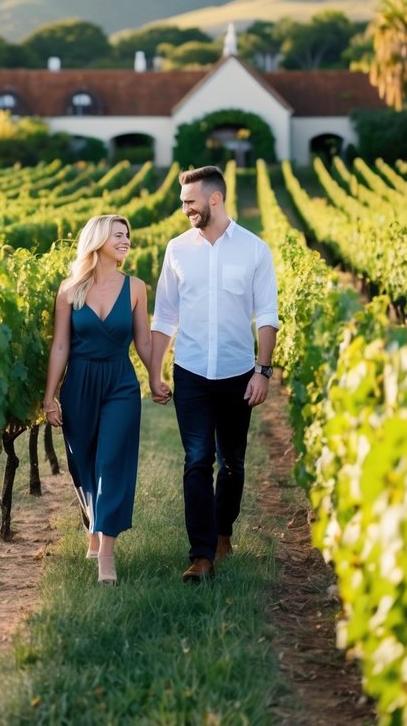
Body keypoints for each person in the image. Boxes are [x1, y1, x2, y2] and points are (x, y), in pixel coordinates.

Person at [149, 165, 278, 583]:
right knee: (197, 460)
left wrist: (262, 372)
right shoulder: (177, 249)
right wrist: (155, 372)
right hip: (190, 372)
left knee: (233, 463)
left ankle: (224, 532)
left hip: (239, 372)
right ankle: (201, 555)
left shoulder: (255, 249)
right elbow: (165, 315)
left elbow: (268, 317)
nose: (184, 208)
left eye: (190, 201)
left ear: (215, 199)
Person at [43, 214, 157, 585]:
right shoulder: (70, 288)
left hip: (120, 383)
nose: (126, 240)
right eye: (118, 235)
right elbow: (60, 344)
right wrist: (50, 396)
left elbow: (143, 341)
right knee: (84, 463)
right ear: (98, 240)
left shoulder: (136, 287)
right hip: (79, 383)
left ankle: (106, 553)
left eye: (127, 235)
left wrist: (156, 377)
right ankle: (95, 525)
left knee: (112, 461)